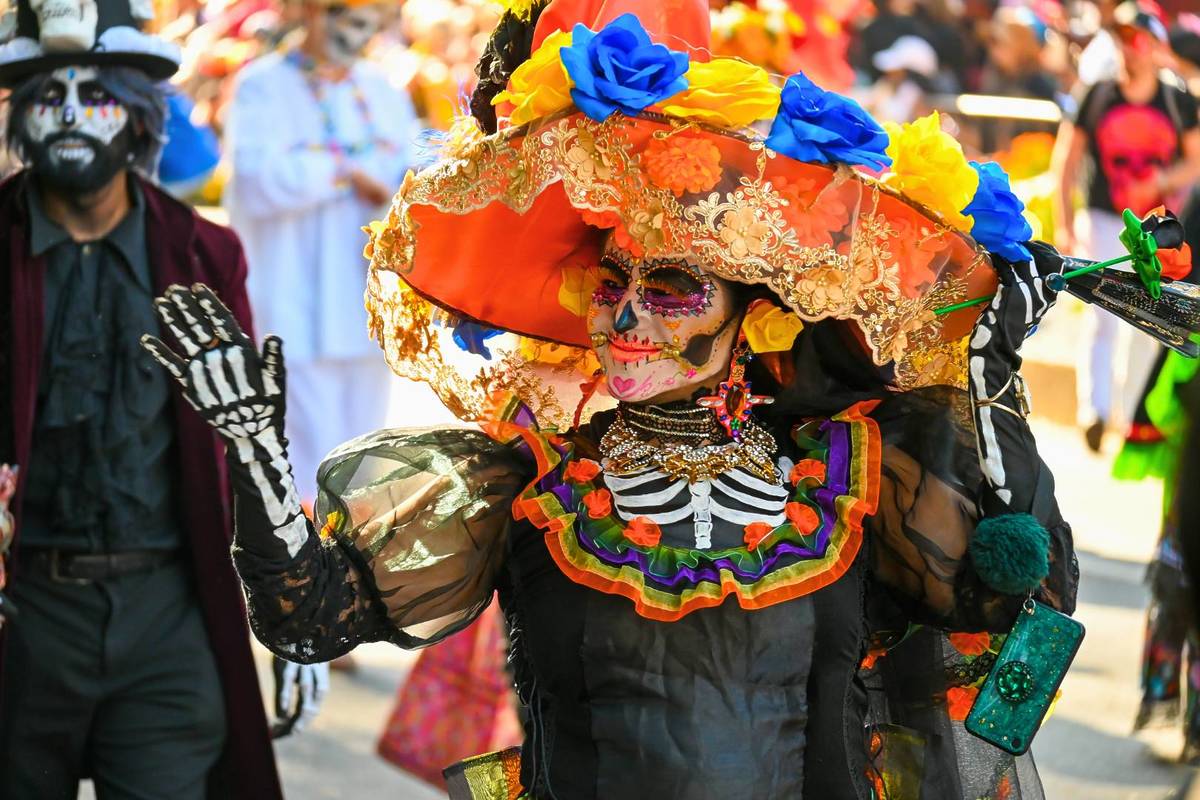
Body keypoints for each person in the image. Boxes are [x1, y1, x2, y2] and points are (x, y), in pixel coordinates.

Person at [146, 1, 1080, 797]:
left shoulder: (849, 477)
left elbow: (1018, 628)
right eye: (612, 285)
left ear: (749, 319)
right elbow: (309, 619)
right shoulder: (527, 487)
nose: (627, 318)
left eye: (671, 289)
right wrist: (255, 449)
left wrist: (992, 385)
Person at [0, 0, 281, 796]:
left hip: (167, 616)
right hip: (24, 624)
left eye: (96, 99)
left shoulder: (204, 253)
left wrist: (290, 616)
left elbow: (249, 447)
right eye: (49, 98)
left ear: (135, 117)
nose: (71, 119)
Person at [224, 0, 418, 505]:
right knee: (300, 453)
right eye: (334, 10)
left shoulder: (382, 89)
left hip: (363, 301)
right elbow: (255, 181)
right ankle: (307, 569)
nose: (347, 27)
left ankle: (356, 564)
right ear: (306, 11)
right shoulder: (261, 85)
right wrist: (345, 175)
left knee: (365, 459)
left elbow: (413, 174)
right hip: (294, 298)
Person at [1051, 0, 1200, 451]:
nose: (1128, 50)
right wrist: (1063, 222)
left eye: (1135, 40)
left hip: (1155, 224)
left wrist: (1161, 180)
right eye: (1120, 39)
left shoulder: (1176, 100)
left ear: (1154, 45)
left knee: (1146, 320)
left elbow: (1195, 160)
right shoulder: (1096, 94)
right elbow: (1067, 161)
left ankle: (1129, 416)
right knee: (1103, 315)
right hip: (1102, 217)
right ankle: (1094, 412)